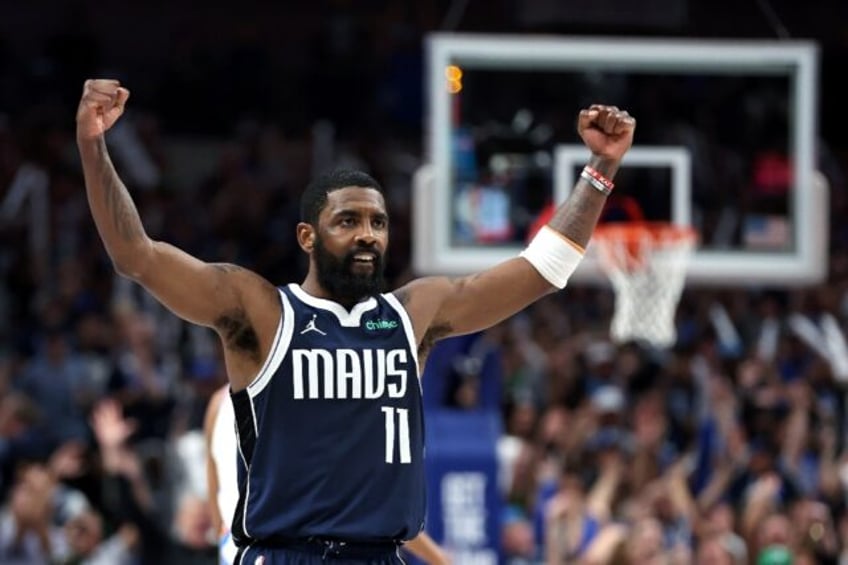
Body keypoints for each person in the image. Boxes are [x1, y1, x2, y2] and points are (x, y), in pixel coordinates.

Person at [76, 78, 635, 565]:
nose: (368, 233)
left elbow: (542, 270)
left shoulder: (416, 313)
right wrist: (93, 144)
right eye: (348, 220)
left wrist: (601, 169)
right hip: (286, 553)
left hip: (383, 555)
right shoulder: (262, 312)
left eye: (378, 222)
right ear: (308, 237)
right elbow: (136, 254)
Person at [204, 384, 451, 565]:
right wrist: (439, 559)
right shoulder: (298, 404)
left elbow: (212, 481)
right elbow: (362, 510)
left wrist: (221, 533)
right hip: (276, 548)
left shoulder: (217, 402)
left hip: (239, 547)